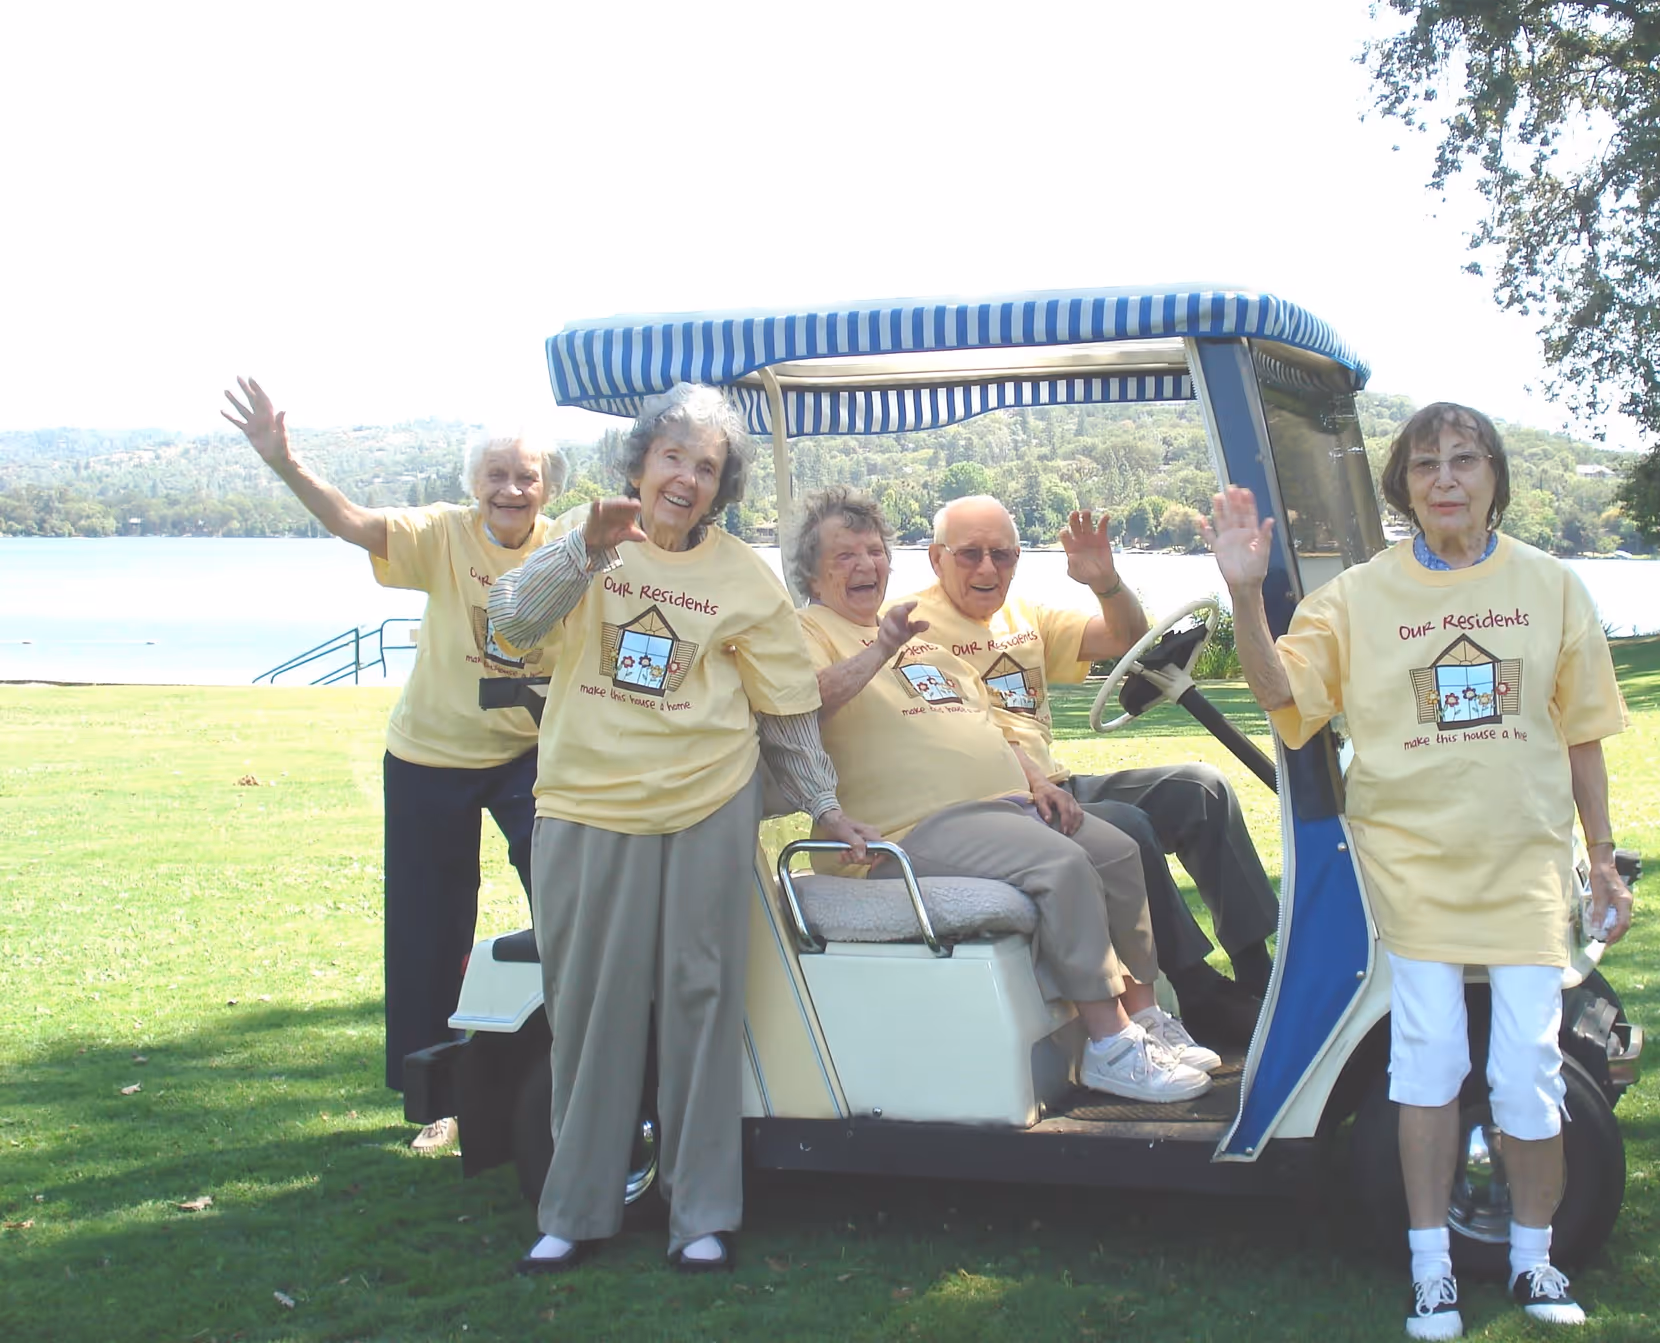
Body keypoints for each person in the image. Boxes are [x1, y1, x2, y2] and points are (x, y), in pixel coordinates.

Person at [1203, 402, 1632, 1339]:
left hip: (1520, 863)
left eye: (1465, 461)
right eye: (1427, 463)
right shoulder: (1357, 596)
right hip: (1407, 867)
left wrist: (1601, 859)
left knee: (1525, 1075)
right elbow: (1284, 695)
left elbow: (1586, 734)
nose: (1446, 478)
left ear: (1494, 477)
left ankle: (1533, 1261)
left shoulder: (1553, 586)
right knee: (1428, 1064)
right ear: (1402, 486)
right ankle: (1431, 1268)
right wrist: (1243, 592)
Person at [488, 386, 875, 1278]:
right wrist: (583, 553)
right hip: (587, 805)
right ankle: (575, 1208)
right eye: (674, 458)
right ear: (638, 465)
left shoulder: (743, 575)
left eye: (706, 467)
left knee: (703, 1001)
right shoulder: (589, 541)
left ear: (719, 486)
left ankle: (700, 1211)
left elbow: (786, 708)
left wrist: (821, 803)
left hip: (708, 801)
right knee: (588, 1008)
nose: (687, 478)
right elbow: (510, 624)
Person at [789, 485, 1218, 1105]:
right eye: (845, 555)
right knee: (1062, 863)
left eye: (875, 552)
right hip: (908, 829)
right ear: (811, 570)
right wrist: (880, 648)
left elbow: (983, 723)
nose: (866, 566)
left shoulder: (924, 641)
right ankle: (1109, 1045)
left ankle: (1145, 1018)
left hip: (1001, 806)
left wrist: (1038, 782)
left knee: (1116, 850)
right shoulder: (807, 632)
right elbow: (803, 704)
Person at [223, 376, 566, 1148]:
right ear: (474, 484)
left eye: (526, 476)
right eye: (496, 476)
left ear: (548, 488)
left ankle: (570, 1063)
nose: (510, 489)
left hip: (530, 757)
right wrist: (285, 462)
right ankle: (439, 1102)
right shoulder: (442, 534)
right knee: (427, 932)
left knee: (573, 898)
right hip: (429, 756)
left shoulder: (565, 548)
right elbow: (353, 523)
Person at [911, 495, 1276, 1047]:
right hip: (999, 803)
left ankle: (1259, 973)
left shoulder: (1025, 617)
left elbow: (1125, 639)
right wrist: (1030, 782)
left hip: (1055, 785)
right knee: (1124, 824)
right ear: (936, 559)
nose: (988, 569)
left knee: (1201, 790)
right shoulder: (912, 628)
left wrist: (1105, 584)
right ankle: (1198, 990)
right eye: (969, 555)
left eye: (1003, 555)